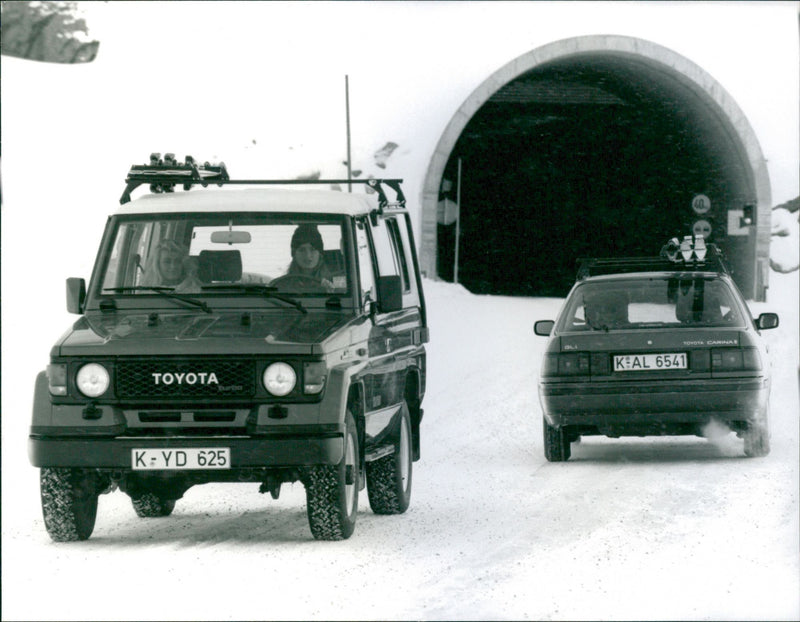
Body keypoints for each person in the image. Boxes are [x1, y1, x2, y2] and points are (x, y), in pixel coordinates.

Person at [283, 224, 334, 288]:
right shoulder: (283, 284)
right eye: (302, 250)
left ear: (320, 253)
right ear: (294, 254)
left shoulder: (335, 284)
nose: (308, 255)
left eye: (313, 249)